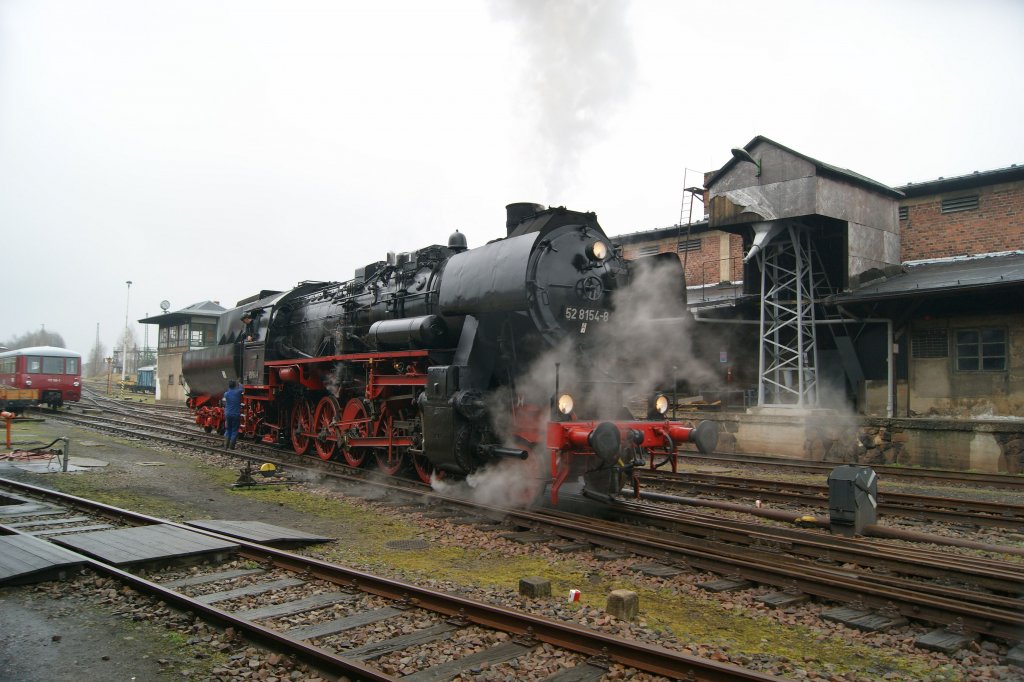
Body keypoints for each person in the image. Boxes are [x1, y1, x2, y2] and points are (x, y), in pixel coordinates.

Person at [223, 380, 244, 449]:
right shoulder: (238, 392)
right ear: (235, 386)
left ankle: (226, 445)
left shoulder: (226, 394)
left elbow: (229, 390)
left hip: (228, 414)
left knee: (228, 429)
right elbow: (242, 388)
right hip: (236, 414)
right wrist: (239, 383)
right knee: (234, 430)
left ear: (229, 386)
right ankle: (231, 446)